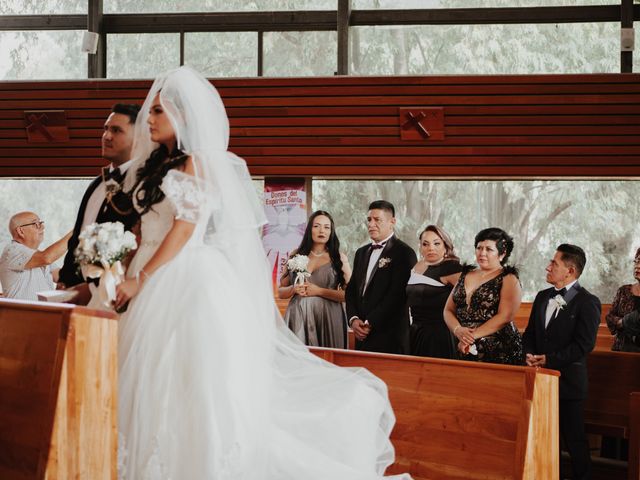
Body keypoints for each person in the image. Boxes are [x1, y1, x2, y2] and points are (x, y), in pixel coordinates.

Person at [112, 66, 411, 479]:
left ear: (184, 116)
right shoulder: (157, 168)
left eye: (159, 112)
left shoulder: (198, 164)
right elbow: (146, 226)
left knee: (189, 378)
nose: (150, 118)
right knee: (148, 378)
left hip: (183, 279)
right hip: (153, 273)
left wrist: (141, 279)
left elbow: (183, 229)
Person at [523, 244, 601, 480]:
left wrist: (550, 360)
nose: (548, 266)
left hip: (568, 383)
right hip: (538, 381)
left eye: (554, 263)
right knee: (542, 438)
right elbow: (529, 334)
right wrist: (528, 354)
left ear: (570, 270)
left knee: (574, 440)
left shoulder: (587, 302)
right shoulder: (542, 296)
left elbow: (583, 345)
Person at [58, 103, 141, 288]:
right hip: (75, 289)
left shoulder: (142, 185)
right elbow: (77, 236)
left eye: (116, 130)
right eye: (105, 129)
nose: (106, 136)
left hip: (112, 289)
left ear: (139, 138)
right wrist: (65, 279)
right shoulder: (96, 184)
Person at [345, 200, 417, 354]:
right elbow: (351, 289)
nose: (371, 224)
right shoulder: (361, 252)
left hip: (390, 336)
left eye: (377, 220)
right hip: (362, 336)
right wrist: (353, 319)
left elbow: (398, 295)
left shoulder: (405, 253)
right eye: (369, 220)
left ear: (392, 222)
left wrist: (370, 323)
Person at [443, 227, 523, 365]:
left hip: (500, 349)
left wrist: (470, 337)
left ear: (502, 254)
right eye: (479, 248)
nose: (482, 253)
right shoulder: (466, 274)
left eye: (489, 249)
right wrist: (458, 330)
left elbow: (505, 316)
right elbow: (448, 310)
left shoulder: (508, 278)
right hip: (463, 346)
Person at [279, 210, 352, 348]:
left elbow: (349, 295)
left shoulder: (339, 258)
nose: (321, 230)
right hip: (298, 318)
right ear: (309, 229)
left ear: (331, 231)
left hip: (328, 318)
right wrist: (293, 289)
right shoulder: (295, 255)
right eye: (316, 226)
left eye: (326, 227)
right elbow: (281, 292)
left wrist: (319, 291)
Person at [406, 225, 462, 358]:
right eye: (425, 244)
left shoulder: (452, 267)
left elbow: (468, 302)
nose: (431, 248)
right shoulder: (418, 265)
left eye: (436, 243)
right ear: (420, 247)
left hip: (439, 335)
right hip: (415, 331)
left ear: (445, 246)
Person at [0, 212, 71, 300]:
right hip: (24, 313)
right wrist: (75, 233)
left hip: (46, 312)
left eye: (41, 223)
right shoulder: (11, 251)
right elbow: (47, 258)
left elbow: (63, 278)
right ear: (20, 231)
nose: (42, 227)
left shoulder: (37, 255)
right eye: (36, 224)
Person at [605, 247, 640, 352]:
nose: (637, 266)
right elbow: (610, 317)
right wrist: (623, 322)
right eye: (636, 261)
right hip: (622, 350)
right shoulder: (623, 290)